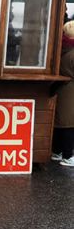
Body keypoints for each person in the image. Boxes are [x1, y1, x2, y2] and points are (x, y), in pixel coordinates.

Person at [52, 20, 74, 166]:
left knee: (63, 123)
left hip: (63, 88)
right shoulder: (71, 51)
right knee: (66, 123)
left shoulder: (62, 48)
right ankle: (65, 154)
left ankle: (62, 153)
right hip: (69, 89)